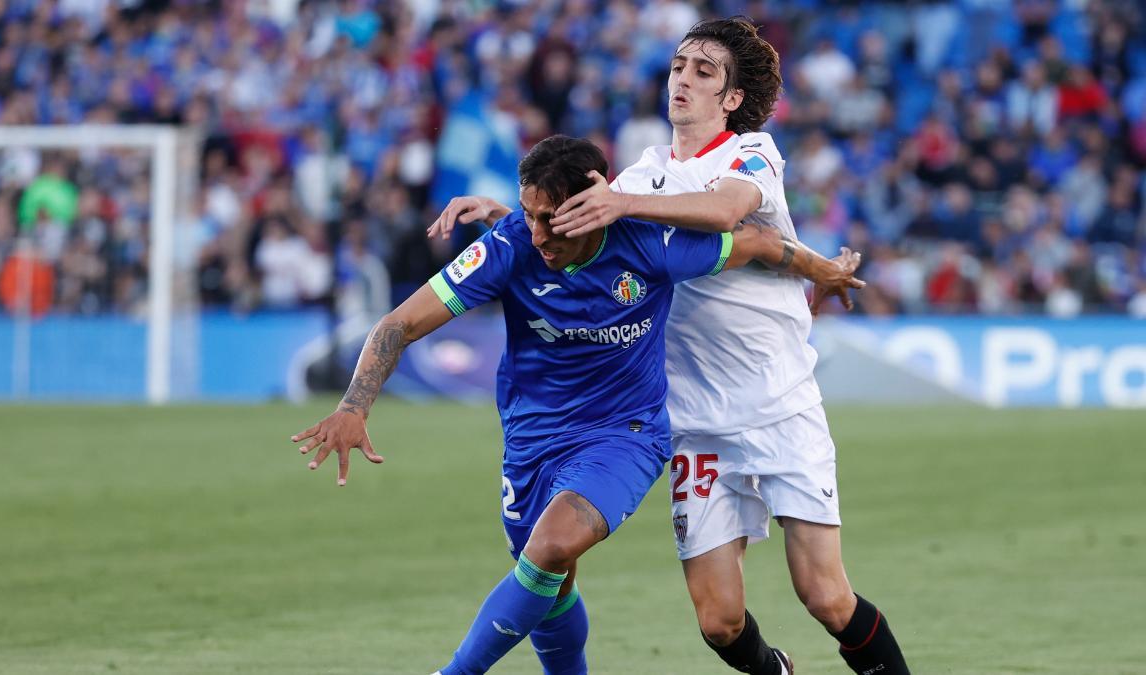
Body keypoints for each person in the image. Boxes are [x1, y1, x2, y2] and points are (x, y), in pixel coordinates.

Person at [428, 18, 911, 675]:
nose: (682, 79)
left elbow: (723, 213)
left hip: (779, 404)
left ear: (732, 98)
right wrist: (515, 215)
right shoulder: (643, 172)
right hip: (692, 422)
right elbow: (587, 225)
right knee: (719, 621)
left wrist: (620, 202)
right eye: (679, 65)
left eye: (703, 72)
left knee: (824, 595)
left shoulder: (751, 154)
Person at [296, 134, 864, 675]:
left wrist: (826, 271)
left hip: (626, 434)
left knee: (552, 546)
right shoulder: (509, 245)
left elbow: (760, 241)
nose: (537, 233)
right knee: (549, 579)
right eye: (528, 214)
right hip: (530, 441)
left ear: (594, 203)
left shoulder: (650, 243)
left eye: (552, 218)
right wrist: (354, 405)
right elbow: (398, 324)